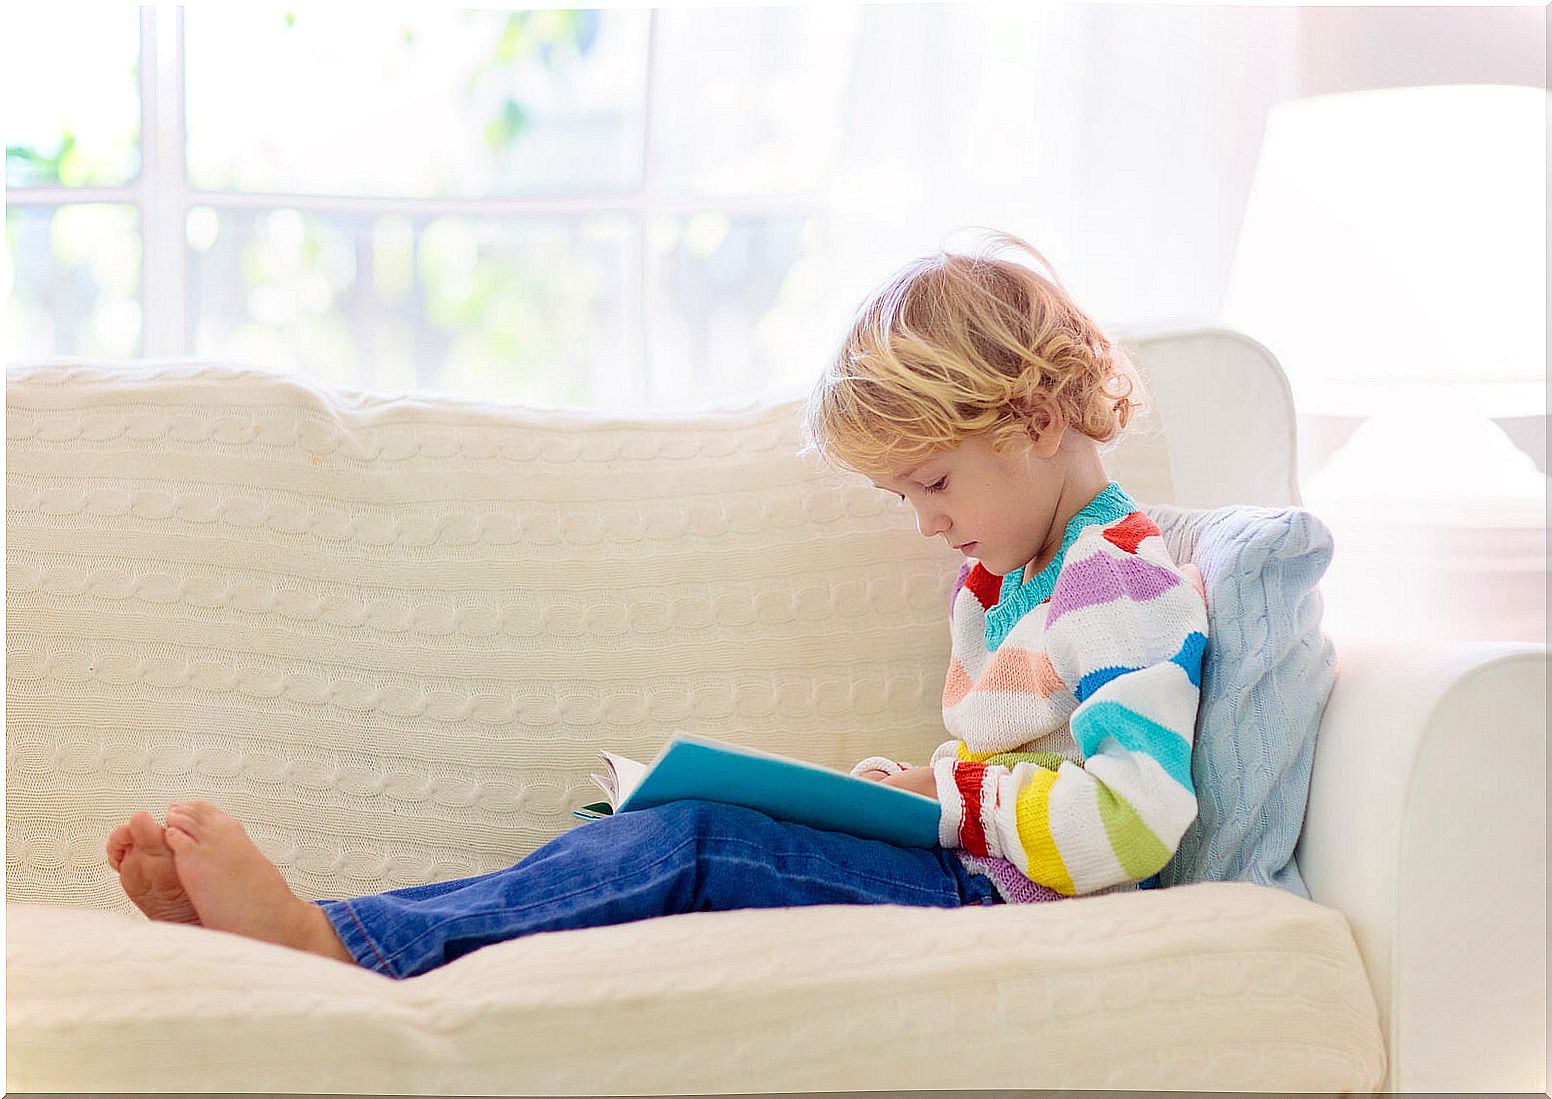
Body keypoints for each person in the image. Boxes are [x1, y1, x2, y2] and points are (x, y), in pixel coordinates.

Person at [105, 228, 1209, 979]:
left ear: (1030, 419)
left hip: (996, 909)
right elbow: (1018, 775)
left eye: (930, 483)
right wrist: (897, 793)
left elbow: (1133, 817)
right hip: (961, 868)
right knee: (647, 826)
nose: (925, 522)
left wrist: (949, 800)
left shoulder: (1115, 577)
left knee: (689, 842)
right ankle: (343, 934)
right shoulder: (1018, 576)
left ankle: (329, 945)